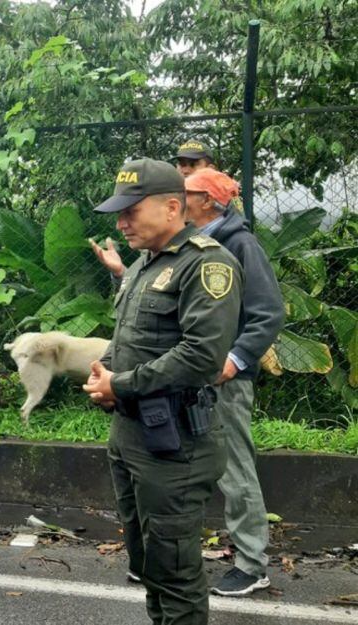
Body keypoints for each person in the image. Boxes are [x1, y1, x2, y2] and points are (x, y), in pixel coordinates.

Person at [83, 158, 243, 625]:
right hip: (133, 437)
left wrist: (122, 384)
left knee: (175, 574)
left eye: (131, 210)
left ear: (173, 206)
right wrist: (106, 375)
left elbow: (201, 357)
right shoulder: (142, 266)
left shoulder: (207, 265)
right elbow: (129, 338)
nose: (121, 222)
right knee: (148, 565)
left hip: (176, 445)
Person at [184, 168, 285, 596]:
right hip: (190, 376)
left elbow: (268, 311)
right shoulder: (192, 243)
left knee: (234, 468)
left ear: (208, 201)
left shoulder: (241, 244)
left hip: (226, 380)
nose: (178, 197)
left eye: (185, 192)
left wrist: (235, 359)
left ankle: (251, 563)